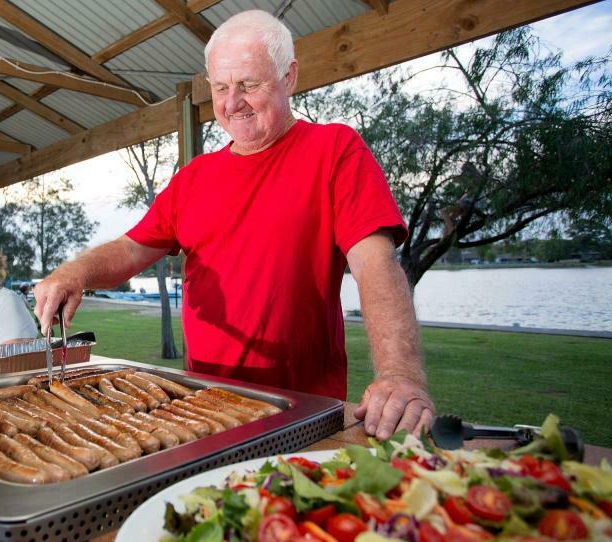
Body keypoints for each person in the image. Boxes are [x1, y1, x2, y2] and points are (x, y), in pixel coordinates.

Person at [34, 10, 434, 440]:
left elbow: (376, 264)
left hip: (302, 412)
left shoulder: (335, 149)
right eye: (221, 88)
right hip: (203, 407)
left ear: (289, 76)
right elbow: (132, 248)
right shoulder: (194, 177)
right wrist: (73, 272)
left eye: (248, 84)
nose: (231, 102)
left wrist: (400, 373)